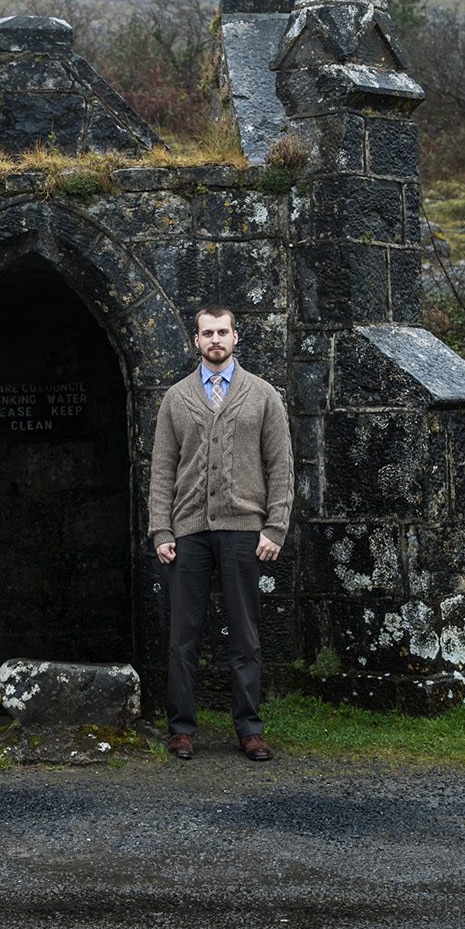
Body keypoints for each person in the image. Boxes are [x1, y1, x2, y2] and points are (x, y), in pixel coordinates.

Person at [149, 305, 293, 762]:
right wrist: (161, 529)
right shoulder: (176, 398)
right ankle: (181, 729)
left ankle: (250, 729)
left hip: (243, 531)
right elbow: (162, 470)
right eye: (207, 333)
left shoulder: (263, 395)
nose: (216, 339)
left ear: (236, 337)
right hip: (188, 532)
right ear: (196, 340)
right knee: (183, 637)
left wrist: (275, 526)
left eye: (222, 332)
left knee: (245, 636)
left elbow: (281, 465)